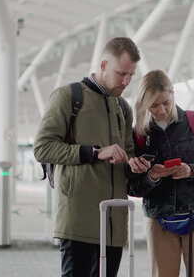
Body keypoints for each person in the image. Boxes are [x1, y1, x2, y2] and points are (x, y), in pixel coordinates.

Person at [34, 37, 151, 277]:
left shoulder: (123, 107)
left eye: (131, 75)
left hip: (114, 224)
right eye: (121, 74)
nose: (126, 81)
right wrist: (94, 152)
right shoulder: (69, 96)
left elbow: (127, 152)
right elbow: (42, 147)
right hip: (79, 222)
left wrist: (134, 164)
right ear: (104, 65)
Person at [128, 70, 194, 277]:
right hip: (159, 218)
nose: (162, 110)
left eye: (166, 102)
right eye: (154, 106)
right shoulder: (139, 136)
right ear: (144, 104)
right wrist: (152, 177)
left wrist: (191, 170)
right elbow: (132, 187)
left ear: (173, 93)